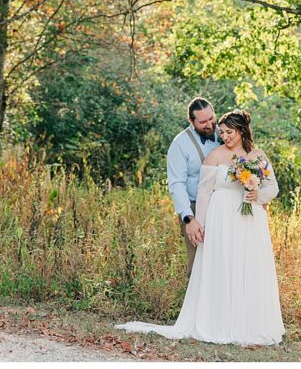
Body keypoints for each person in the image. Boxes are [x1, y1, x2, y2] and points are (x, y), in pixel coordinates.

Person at [117, 109, 284, 345]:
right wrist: (199, 225)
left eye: (229, 132)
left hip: (251, 220)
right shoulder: (215, 156)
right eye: (222, 132)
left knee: (248, 266)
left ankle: (251, 323)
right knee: (224, 266)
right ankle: (221, 322)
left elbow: (273, 187)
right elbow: (204, 194)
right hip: (222, 219)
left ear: (241, 131)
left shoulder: (257, 155)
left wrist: (258, 195)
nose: (224, 136)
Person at [166, 97, 221, 277]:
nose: (209, 124)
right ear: (191, 121)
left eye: (211, 118)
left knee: (223, 260)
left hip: (223, 206)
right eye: (203, 122)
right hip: (195, 208)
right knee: (198, 263)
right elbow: (177, 184)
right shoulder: (180, 144)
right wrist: (189, 219)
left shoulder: (225, 133)